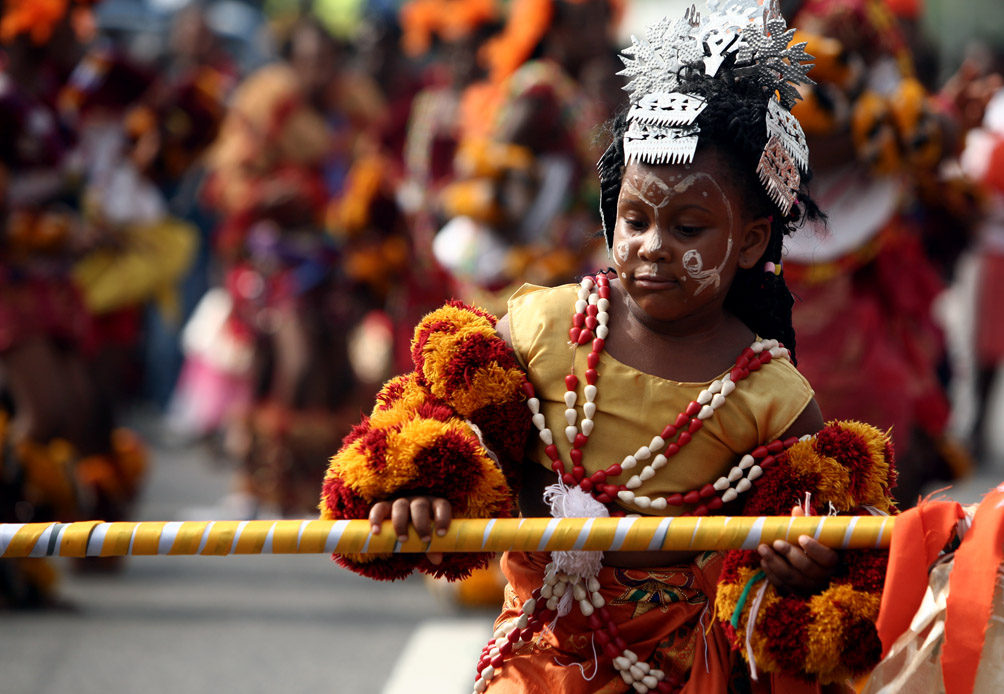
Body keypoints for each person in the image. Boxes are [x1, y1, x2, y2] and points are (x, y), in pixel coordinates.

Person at [321, 2, 895, 691]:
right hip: (530, 667)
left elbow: (834, 539)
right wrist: (419, 491)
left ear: (747, 241)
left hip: (689, 675)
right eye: (635, 218)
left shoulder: (770, 393)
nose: (654, 247)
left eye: (688, 227)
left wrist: (804, 560)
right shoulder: (542, 329)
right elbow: (431, 424)